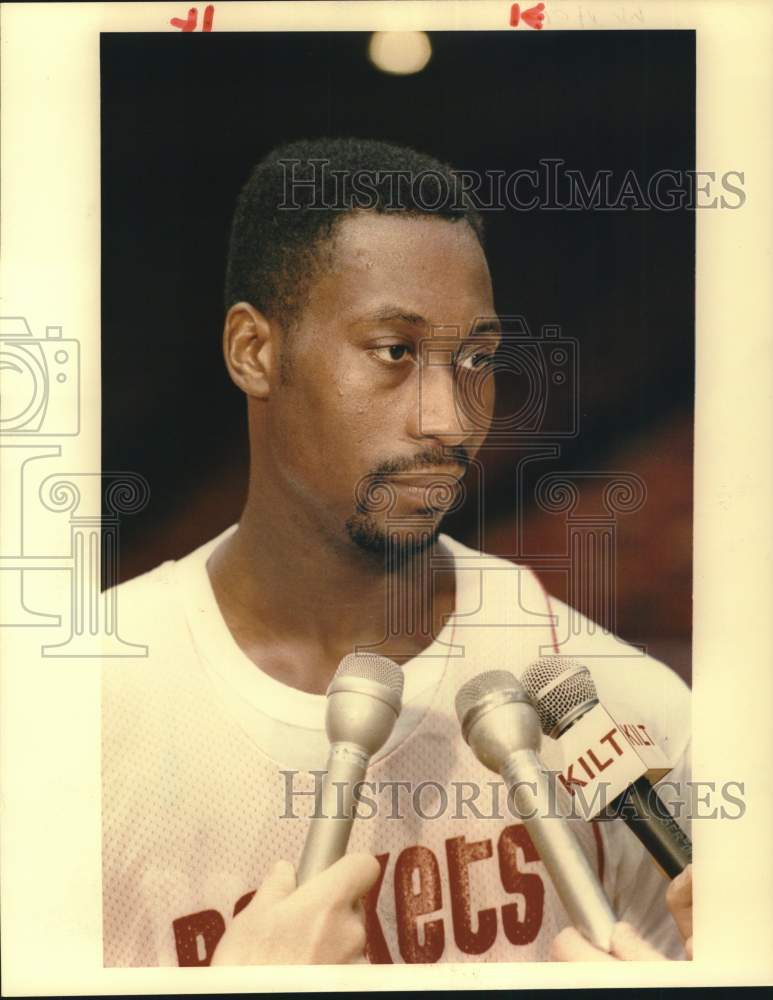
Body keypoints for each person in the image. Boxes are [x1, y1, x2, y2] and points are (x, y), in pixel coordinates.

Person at [102, 137, 691, 966]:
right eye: (395, 352)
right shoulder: (73, 706)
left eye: (478, 359)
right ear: (253, 351)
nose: (450, 420)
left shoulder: (619, 706)